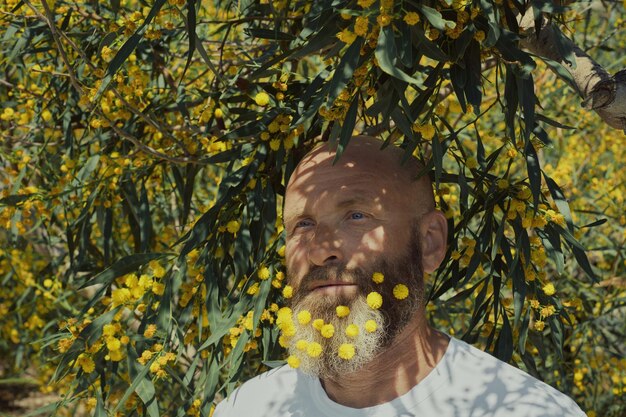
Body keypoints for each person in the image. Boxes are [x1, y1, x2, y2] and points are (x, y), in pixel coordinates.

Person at [213, 136, 585, 417]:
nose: (319, 249)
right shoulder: (247, 408)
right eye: (303, 224)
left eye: (357, 215)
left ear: (430, 243)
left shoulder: (528, 410)